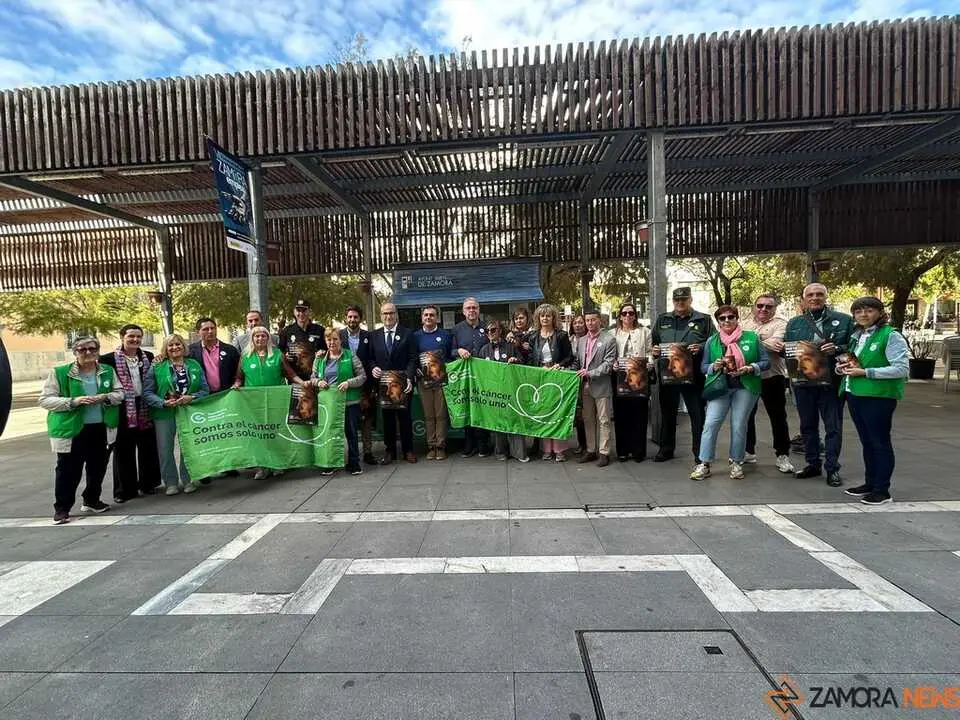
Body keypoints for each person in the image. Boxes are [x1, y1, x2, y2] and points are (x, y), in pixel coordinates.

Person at [39, 336, 124, 524]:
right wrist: (72, 402)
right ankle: (62, 508)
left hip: (101, 427)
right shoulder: (61, 372)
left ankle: (92, 500)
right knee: (68, 469)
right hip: (72, 429)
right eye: (82, 349)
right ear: (75, 352)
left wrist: (106, 397)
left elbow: (120, 393)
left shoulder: (107, 371)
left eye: (92, 349)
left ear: (98, 350)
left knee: (98, 467)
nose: (87, 353)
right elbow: (45, 399)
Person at [837, 297, 909, 505]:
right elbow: (852, 362)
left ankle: (882, 489)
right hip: (855, 393)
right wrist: (843, 369)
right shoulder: (857, 336)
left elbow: (901, 369)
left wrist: (865, 372)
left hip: (878, 396)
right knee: (867, 442)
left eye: (869, 310)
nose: (863, 315)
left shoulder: (891, 335)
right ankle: (870, 482)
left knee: (880, 442)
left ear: (879, 312)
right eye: (858, 312)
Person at [785, 283, 854, 487]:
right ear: (804, 299)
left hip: (831, 383)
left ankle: (832, 468)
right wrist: (783, 349)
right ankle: (812, 464)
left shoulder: (843, 321)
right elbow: (789, 352)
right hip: (803, 383)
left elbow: (853, 348)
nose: (815, 298)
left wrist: (838, 348)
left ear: (825, 296)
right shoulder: (794, 323)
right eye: (810, 295)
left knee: (833, 427)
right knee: (807, 426)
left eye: (819, 294)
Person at [691, 306, 771, 481]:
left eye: (731, 317)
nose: (727, 321)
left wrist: (751, 368)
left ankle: (736, 462)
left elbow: (766, 362)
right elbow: (703, 366)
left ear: (737, 318)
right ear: (718, 321)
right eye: (722, 318)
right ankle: (704, 463)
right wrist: (715, 366)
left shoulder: (751, 337)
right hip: (719, 387)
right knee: (710, 423)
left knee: (739, 424)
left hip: (745, 386)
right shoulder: (712, 341)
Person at [231, 326, 305, 480]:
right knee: (258, 434)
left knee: (276, 432)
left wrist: (303, 383)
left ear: (268, 338)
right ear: (252, 338)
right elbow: (239, 378)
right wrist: (237, 385)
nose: (260, 339)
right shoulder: (245, 356)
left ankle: (278, 464)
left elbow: (291, 375)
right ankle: (261, 467)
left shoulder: (277, 354)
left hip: (276, 401)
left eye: (263, 336)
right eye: (256, 336)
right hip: (253, 403)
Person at [98, 324, 161, 504]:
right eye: (131, 336)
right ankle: (124, 490)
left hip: (144, 406)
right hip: (122, 407)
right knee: (123, 450)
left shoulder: (147, 356)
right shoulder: (108, 360)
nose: (135, 340)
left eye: (138, 336)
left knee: (147, 447)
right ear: (122, 337)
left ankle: (148, 483)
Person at [651, 287, 714, 463]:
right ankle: (666, 449)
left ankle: (699, 453)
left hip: (693, 375)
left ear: (690, 300)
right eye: (677, 300)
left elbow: (714, 342)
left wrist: (701, 347)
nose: (680, 303)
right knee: (668, 413)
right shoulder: (663, 319)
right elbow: (655, 342)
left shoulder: (703, 320)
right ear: (673, 301)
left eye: (684, 300)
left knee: (697, 414)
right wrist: (655, 351)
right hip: (668, 374)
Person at [144, 334, 210, 495]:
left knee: (188, 446)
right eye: (170, 345)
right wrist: (162, 402)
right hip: (164, 413)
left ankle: (188, 480)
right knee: (165, 449)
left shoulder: (193, 364)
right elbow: (147, 392)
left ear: (183, 346)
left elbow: (205, 389)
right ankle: (171, 482)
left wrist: (192, 397)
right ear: (165, 349)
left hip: (188, 411)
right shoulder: (157, 366)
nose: (175, 347)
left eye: (178, 344)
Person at [740, 294, 794, 474]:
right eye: (760, 305)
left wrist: (748, 343)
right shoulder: (744, 323)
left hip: (773, 376)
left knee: (778, 417)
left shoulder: (781, 324)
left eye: (768, 307)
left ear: (775, 309)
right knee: (746, 415)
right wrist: (763, 342)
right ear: (754, 306)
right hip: (749, 376)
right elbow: (733, 345)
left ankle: (782, 454)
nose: (763, 309)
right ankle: (748, 451)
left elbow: (777, 345)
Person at [311, 327, 368, 476]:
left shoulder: (351, 356)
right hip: (328, 404)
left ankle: (354, 463)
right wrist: (318, 382)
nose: (332, 342)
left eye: (335, 339)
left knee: (352, 434)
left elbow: (362, 376)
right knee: (330, 433)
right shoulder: (320, 359)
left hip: (349, 402)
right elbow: (312, 377)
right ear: (325, 341)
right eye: (329, 339)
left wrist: (349, 382)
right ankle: (331, 463)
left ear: (341, 340)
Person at [371, 302, 417, 464]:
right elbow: (371, 359)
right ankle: (390, 450)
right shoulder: (374, 335)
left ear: (396, 314)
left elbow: (413, 358)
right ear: (381, 315)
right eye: (385, 313)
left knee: (405, 418)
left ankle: (408, 450)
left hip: (403, 384)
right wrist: (373, 368)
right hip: (384, 386)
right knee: (388, 419)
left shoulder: (407, 334)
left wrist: (409, 377)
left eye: (391, 313)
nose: (388, 316)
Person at [528, 303, 575, 462]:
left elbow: (569, 357)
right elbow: (529, 357)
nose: (545, 318)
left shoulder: (561, 335)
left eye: (548, 315)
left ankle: (559, 450)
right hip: (540, 378)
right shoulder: (533, 336)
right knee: (543, 413)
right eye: (542, 316)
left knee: (558, 412)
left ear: (553, 318)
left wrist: (559, 365)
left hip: (556, 377)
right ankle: (546, 449)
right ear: (538, 318)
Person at [478, 320, 529, 462]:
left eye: (493, 329)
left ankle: (518, 452)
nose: (490, 333)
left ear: (500, 330)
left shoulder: (510, 346)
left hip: (511, 389)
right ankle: (500, 452)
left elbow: (522, 362)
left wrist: (516, 360)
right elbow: (480, 371)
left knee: (515, 419)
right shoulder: (483, 350)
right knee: (498, 421)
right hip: (493, 391)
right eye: (488, 331)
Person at [573, 308, 617, 467]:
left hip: (601, 385)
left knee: (604, 419)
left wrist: (590, 373)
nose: (590, 323)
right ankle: (591, 450)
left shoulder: (609, 339)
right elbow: (578, 362)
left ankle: (604, 452)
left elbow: (608, 364)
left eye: (593, 320)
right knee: (588, 419)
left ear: (600, 320)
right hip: (584, 386)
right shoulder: (581, 340)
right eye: (587, 320)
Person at [612, 302, 652, 463]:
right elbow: (610, 354)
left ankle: (638, 451)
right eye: (624, 313)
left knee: (639, 415)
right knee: (621, 415)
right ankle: (622, 450)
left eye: (631, 313)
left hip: (639, 378)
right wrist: (613, 364)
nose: (628, 316)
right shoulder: (613, 333)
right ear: (620, 316)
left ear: (635, 315)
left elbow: (650, 351)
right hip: (620, 378)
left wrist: (650, 363)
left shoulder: (645, 332)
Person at [452, 296, 492, 457]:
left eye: (474, 308)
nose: (471, 311)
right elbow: (450, 351)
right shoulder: (457, 329)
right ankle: (469, 445)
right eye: (468, 308)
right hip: (466, 377)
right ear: (463, 311)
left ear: (479, 310)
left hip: (485, 376)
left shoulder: (488, 328)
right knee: (468, 408)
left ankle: (484, 444)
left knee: (483, 408)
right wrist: (458, 351)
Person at [414, 305, 453, 460]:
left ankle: (440, 446)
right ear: (422, 318)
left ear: (437, 318)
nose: (428, 317)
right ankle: (431, 446)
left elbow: (450, 355)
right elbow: (412, 357)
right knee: (429, 415)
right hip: (424, 381)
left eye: (432, 315)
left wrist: (446, 367)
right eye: (426, 315)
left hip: (441, 380)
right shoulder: (415, 336)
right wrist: (416, 368)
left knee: (440, 414)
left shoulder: (445, 335)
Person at [340, 305, 377, 466]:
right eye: (350, 317)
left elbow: (373, 357)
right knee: (347, 421)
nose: (352, 320)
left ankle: (368, 452)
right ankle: (347, 454)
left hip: (365, 385)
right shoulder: (339, 336)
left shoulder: (369, 336)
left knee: (366, 420)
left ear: (360, 319)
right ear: (345, 318)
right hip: (344, 385)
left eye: (355, 317)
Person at [279, 298, 327, 382]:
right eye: (298, 310)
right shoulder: (287, 331)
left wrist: (323, 352)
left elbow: (329, 350)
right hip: (295, 379)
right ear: (294, 312)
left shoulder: (320, 330)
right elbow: (280, 352)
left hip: (318, 379)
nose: (301, 313)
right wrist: (285, 356)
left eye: (304, 310)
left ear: (309, 312)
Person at [188, 317, 240, 394]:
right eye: (206, 329)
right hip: (202, 396)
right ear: (198, 332)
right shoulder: (190, 351)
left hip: (227, 394)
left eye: (212, 328)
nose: (210, 331)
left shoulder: (230, 350)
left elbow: (239, 372)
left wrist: (237, 383)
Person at [568, 314, 588, 454]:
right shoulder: (569, 340)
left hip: (586, 379)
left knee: (584, 414)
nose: (578, 325)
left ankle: (586, 444)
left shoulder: (589, 339)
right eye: (575, 323)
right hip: (572, 378)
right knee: (576, 414)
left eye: (581, 322)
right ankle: (581, 444)